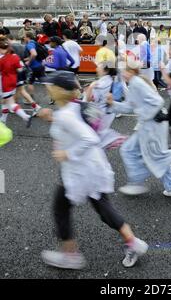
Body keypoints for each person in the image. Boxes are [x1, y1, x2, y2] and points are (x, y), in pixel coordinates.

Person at [38, 71, 148, 270]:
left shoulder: (65, 115)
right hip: (94, 166)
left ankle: (70, 256)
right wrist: (51, 119)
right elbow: (77, 126)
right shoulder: (74, 106)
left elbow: (89, 138)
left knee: (60, 209)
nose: (47, 87)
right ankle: (133, 243)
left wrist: (67, 154)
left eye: (50, 85)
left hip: (78, 170)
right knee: (103, 207)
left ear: (59, 90)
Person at [106, 59, 171, 199]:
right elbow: (129, 106)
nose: (122, 74)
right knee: (144, 153)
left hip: (152, 126)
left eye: (124, 71)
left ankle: (140, 182)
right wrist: (112, 103)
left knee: (144, 154)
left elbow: (158, 101)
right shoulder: (134, 83)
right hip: (150, 126)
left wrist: (144, 115)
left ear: (131, 71)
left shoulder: (136, 83)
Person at [0, 40, 31, 125]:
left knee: (10, 103)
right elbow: (20, 69)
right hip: (13, 81)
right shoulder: (15, 57)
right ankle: (3, 120)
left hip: (4, 83)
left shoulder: (2, 59)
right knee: (6, 102)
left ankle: (26, 117)